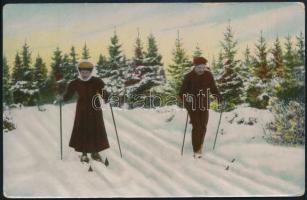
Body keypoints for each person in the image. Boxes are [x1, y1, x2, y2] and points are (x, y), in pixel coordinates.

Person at [57, 60, 110, 163]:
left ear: (91, 72)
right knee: (82, 130)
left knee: (96, 129)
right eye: (82, 72)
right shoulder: (75, 83)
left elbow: (103, 93)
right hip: (82, 110)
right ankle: (84, 153)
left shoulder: (97, 81)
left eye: (87, 72)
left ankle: (95, 152)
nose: (84, 74)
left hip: (95, 109)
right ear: (79, 72)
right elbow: (68, 95)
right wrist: (62, 98)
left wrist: (108, 97)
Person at [179, 56, 222, 158]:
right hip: (192, 105)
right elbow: (182, 93)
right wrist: (187, 97)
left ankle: (200, 145)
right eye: (199, 68)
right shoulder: (188, 77)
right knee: (197, 126)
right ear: (195, 66)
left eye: (203, 67)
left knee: (203, 126)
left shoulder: (208, 75)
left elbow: (214, 89)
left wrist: (220, 99)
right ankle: (196, 149)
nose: (201, 70)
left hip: (204, 104)